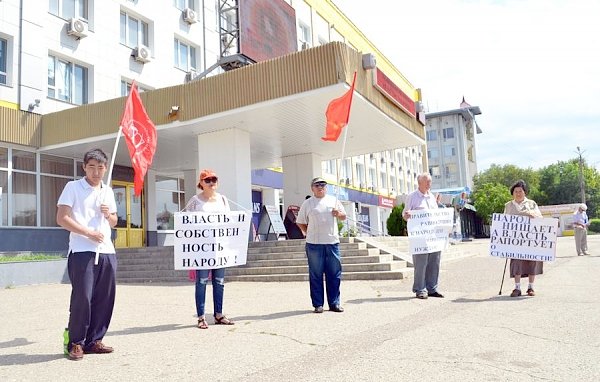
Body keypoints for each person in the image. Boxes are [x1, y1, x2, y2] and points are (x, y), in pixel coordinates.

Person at [56, 148, 118, 361]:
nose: (96, 172)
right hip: (82, 251)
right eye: (91, 167)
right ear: (84, 167)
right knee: (82, 297)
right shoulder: (73, 187)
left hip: (107, 250)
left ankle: (95, 340)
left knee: (105, 297)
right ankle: (76, 342)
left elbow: (115, 221)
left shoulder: (107, 191)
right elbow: (62, 218)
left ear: (105, 168)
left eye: (100, 167)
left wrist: (108, 214)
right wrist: (88, 233)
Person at [185, 169, 235, 329]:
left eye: (214, 179)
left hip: (220, 247)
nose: (211, 182)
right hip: (202, 248)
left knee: (219, 281)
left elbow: (229, 221)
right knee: (201, 281)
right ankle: (201, 317)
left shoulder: (223, 200)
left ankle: (218, 314)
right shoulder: (195, 201)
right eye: (207, 180)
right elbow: (186, 222)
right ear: (201, 183)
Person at [296, 177, 347, 313]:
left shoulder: (334, 200)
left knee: (334, 274)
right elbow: (300, 221)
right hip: (314, 244)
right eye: (317, 185)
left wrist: (338, 214)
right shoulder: (307, 203)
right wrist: (308, 232)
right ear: (312, 188)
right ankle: (318, 304)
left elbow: (344, 216)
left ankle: (334, 303)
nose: (320, 187)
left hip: (332, 243)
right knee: (316, 274)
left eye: (323, 185)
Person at [402, 173, 444, 299]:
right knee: (421, 263)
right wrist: (407, 215)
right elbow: (404, 214)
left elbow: (435, 214)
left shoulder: (431, 197)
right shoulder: (412, 197)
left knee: (434, 261)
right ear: (420, 183)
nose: (429, 184)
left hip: (433, 236)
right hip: (419, 237)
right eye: (427, 182)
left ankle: (432, 288)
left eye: (430, 182)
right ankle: (420, 289)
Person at [503, 179, 543, 297]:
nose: (518, 193)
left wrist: (532, 215)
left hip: (531, 240)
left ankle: (530, 287)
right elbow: (504, 222)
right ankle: (517, 288)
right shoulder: (508, 205)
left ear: (524, 192)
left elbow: (540, 218)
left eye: (520, 191)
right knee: (516, 263)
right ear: (512, 193)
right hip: (515, 241)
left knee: (532, 262)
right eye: (516, 191)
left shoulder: (532, 204)